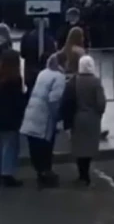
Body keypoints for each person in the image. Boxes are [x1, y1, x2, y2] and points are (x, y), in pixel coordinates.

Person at [20, 53, 66, 188]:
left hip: (31, 112)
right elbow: (54, 99)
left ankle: (40, 172)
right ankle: (46, 173)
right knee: (46, 147)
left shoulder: (43, 73)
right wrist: (57, 116)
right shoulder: (59, 77)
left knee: (34, 145)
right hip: (44, 117)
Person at [68, 55, 106, 186]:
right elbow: (101, 103)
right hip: (92, 118)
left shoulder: (74, 80)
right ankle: (86, 175)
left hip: (77, 117)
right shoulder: (96, 81)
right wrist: (99, 114)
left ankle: (81, 175)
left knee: (79, 147)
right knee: (89, 147)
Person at [0, 49, 27, 187]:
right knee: (11, 146)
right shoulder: (16, 79)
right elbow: (17, 101)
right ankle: (7, 173)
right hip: (11, 118)